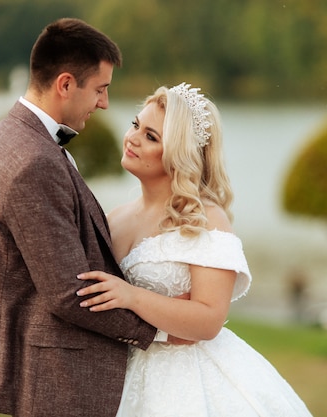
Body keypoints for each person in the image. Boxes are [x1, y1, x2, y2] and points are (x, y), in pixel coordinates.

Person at [0, 18, 161, 417]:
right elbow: (69, 294)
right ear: (66, 84)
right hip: (57, 378)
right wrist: (160, 331)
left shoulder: (7, 135)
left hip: (35, 366)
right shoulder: (34, 161)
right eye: (100, 90)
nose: (103, 103)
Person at [76, 83, 314, 416]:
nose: (132, 138)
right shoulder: (116, 218)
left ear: (177, 153)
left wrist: (131, 296)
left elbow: (208, 319)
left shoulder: (204, 219)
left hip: (189, 379)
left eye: (151, 137)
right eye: (135, 125)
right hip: (124, 374)